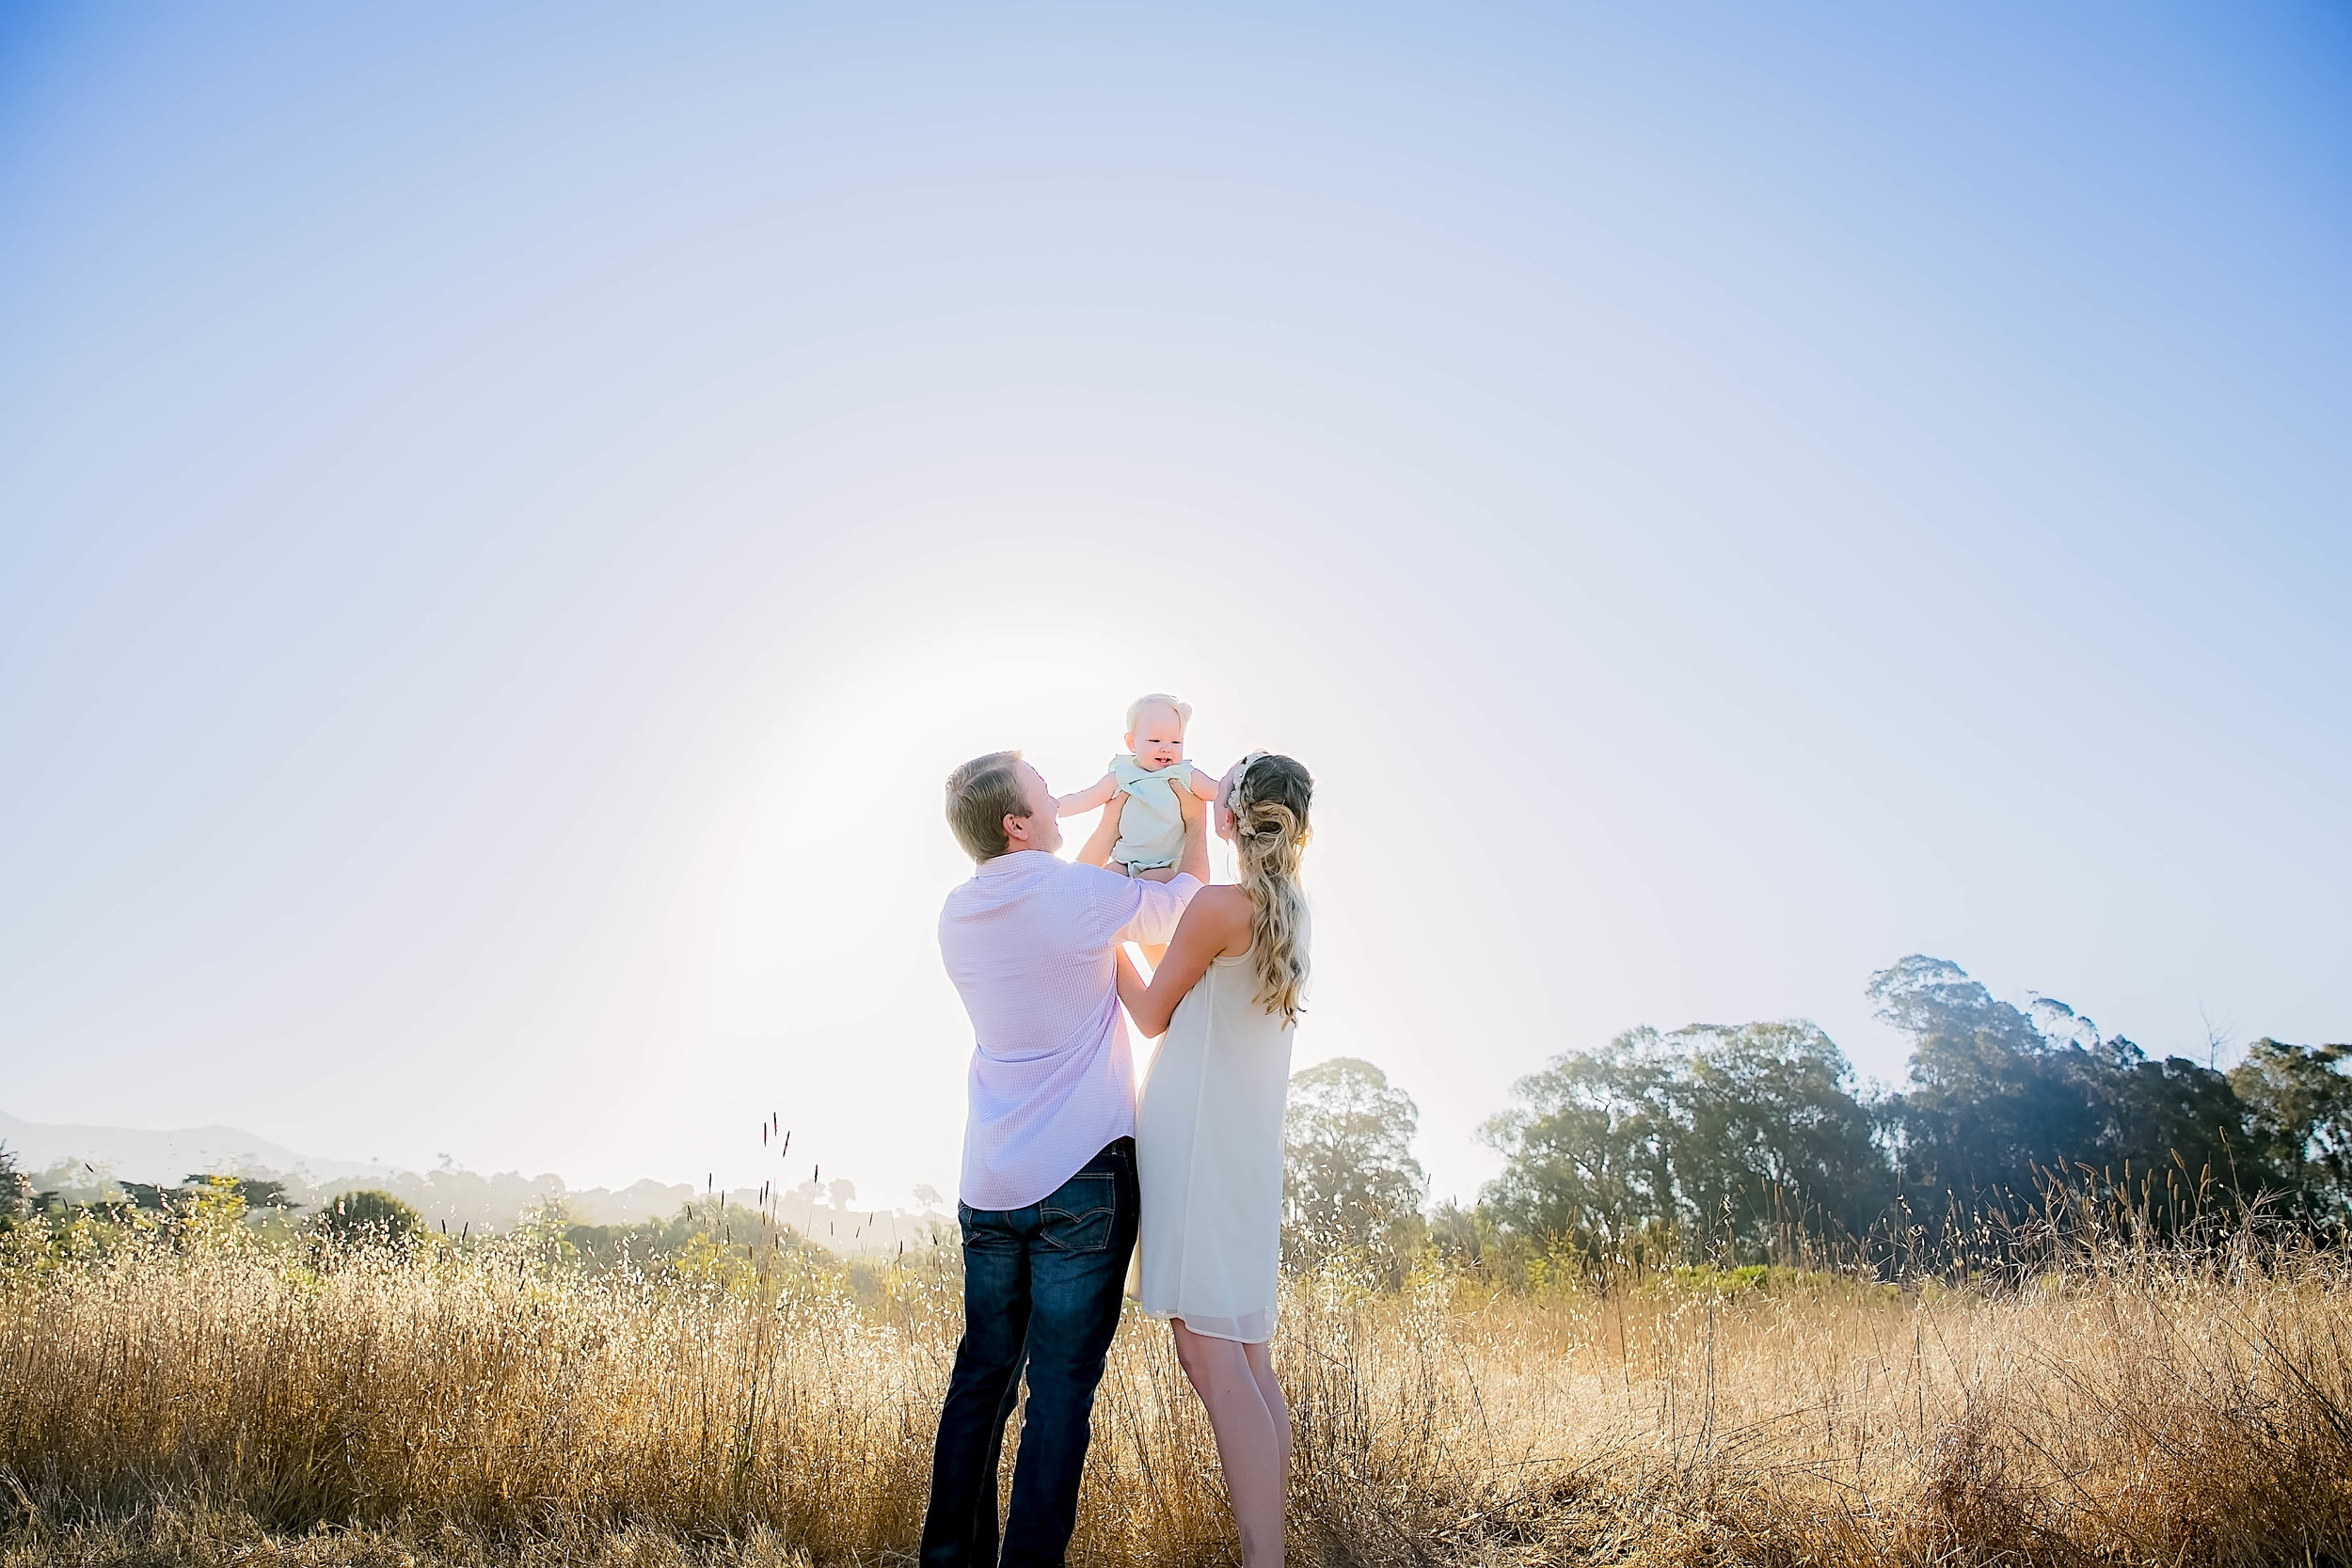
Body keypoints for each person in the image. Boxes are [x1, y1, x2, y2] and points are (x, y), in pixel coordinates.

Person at [921, 749, 1211, 1568]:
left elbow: (1060, 909)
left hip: (991, 1182)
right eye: (1043, 790)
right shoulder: (1076, 896)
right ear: (1017, 824)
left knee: (981, 1381)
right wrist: (1190, 817)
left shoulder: (957, 912)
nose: (1059, 794)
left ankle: (948, 1562)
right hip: (1082, 1176)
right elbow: (1185, 908)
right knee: (1058, 1395)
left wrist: (1108, 827)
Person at [1115, 752, 1314, 1568]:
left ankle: (1261, 1560)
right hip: (1242, 1151)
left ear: (1230, 817)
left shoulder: (1218, 907)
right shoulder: (1292, 912)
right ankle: (1268, 1553)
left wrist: (1105, 946)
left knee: (1207, 1349)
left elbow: (1152, 1013)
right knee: (1247, 1353)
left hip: (1194, 1142)